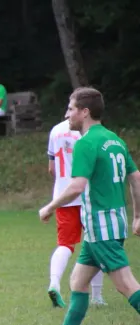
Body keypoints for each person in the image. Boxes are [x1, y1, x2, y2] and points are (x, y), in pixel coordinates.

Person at [30, 87, 140, 325]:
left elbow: (77, 186)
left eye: (71, 109)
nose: (68, 114)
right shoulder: (114, 140)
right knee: (78, 282)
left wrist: (49, 207)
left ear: (85, 112)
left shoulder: (86, 143)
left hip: (100, 226)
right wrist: (137, 215)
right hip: (107, 225)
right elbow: (136, 178)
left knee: (126, 285)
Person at [46, 113, 105, 308]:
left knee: (65, 244)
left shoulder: (55, 131)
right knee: (95, 242)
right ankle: (96, 296)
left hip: (63, 196)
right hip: (87, 195)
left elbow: (51, 169)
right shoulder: (87, 132)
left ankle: (54, 283)